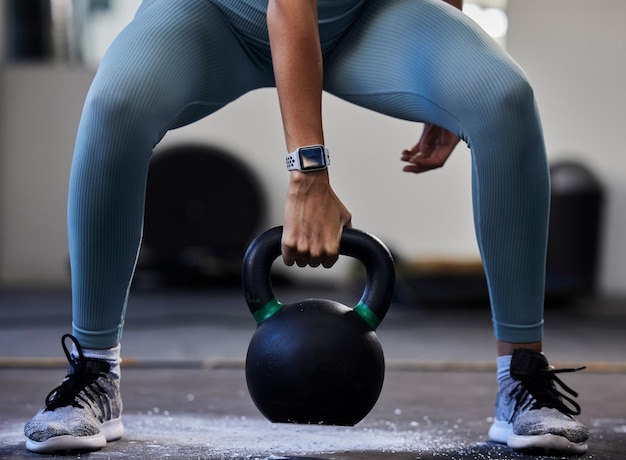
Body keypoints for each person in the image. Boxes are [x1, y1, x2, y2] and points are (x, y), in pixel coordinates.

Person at [24, 0, 589, 456]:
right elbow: (289, 7)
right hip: (214, 16)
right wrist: (308, 176)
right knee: (115, 105)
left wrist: (447, 90)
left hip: (368, 17)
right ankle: (95, 373)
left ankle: (522, 377)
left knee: (503, 97)